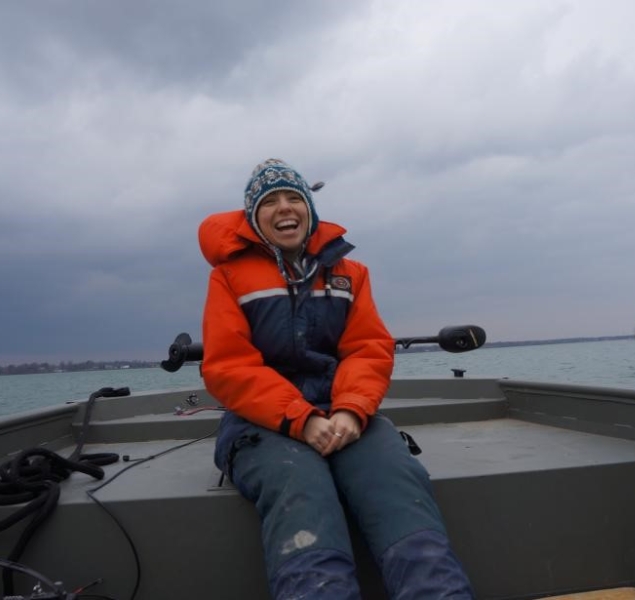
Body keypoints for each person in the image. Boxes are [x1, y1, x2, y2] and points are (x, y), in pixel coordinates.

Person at [198, 158, 474, 599]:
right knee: (300, 487)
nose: (284, 208)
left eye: (294, 197)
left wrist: (350, 409)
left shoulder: (352, 274)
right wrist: (300, 419)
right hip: (262, 422)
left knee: (396, 481)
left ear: (309, 207)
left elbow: (367, 349)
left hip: (345, 414)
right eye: (270, 201)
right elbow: (228, 366)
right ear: (253, 217)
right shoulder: (228, 278)